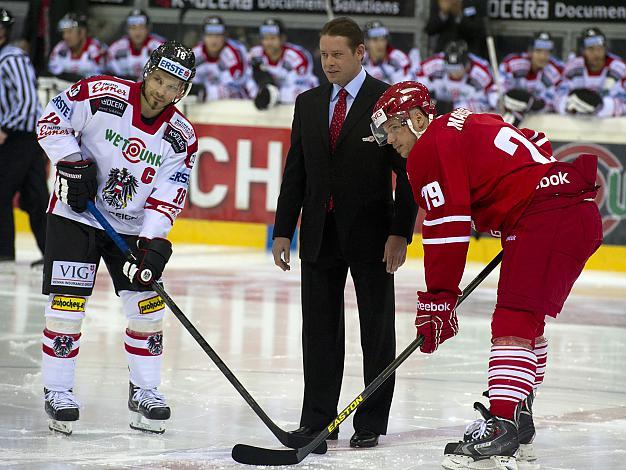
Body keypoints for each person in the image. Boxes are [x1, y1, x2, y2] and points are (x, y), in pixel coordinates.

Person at [370, 81, 602, 469]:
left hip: (545, 216)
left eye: (393, 128)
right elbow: (534, 141)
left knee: (513, 317)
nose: (391, 139)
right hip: (570, 209)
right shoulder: (469, 120)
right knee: (528, 321)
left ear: (415, 118)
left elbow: (447, 224)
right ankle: (519, 418)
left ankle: (502, 424)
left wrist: (439, 299)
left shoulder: (428, 148)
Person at [36, 41, 198, 435]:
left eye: (172, 85)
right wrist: (73, 163)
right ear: (147, 71)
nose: (161, 90)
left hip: (129, 228)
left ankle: (145, 390)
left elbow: (166, 195)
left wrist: (153, 244)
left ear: (183, 91)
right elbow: (50, 122)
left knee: (147, 308)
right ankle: (57, 390)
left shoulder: (181, 137)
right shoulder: (103, 94)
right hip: (77, 215)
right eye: (158, 79)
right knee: (68, 305)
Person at [272, 17, 416, 449]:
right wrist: (283, 230)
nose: (329, 62)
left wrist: (400, 233)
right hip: (318, 232)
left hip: (373, 235)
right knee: (318, 331)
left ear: (360, 54)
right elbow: (295, 172)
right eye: (323, 54)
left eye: (337, 54)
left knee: (376, 330)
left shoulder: (385, 102)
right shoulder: (308, 102)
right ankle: (317, 420)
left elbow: (408, 174)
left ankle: (370, 420)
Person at [0, 8, 48, 270]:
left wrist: (4, 129)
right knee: (35, 197)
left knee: (2, 193)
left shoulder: (11, 58)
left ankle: (4, 252)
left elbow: (28, 103)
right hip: (22, 137)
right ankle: (53, 253)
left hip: (20, 136)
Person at [247, 18, 318, 110]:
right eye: (265, 38)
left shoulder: (297, 56)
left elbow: (300, 91)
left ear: (282, 38)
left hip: (304, 104)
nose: (268, 43)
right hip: (271, 103)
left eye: (273, 38)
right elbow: (247, 82)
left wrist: (273, 94)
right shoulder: (254, 54)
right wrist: (262, 93)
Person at [556, 27, 626, 118]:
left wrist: (602, 107)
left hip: (610, 127)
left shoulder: (619, 68)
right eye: (591, 49)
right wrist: (568, 105)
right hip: (577, 126)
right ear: (583, 51)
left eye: (600, 48)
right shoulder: (572, 67)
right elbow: (558, 96)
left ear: (605, 49)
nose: (596, 53)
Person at [498, 32, 563, 126]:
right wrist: (507, 101)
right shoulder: (512, 63)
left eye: (547, 52)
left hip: (539, 124)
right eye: (538, 51)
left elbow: (552, 101)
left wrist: (533, 104)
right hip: (508, 116)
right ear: (530, 51)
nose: (543, 56)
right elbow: (499, 91)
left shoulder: (555, 71)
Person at [418, 40, 495, 114]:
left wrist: (450, 108)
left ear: (467, 65)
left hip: (468, 115)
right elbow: (415, 81)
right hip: (437, 106)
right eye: (449, 68)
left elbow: (491, 102)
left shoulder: (481, 72)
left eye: (457, 69)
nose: (453, 73)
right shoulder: (434, 63)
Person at [191, 16, 249, 102]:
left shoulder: (234, 53)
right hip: (204, 104)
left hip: (236, 104)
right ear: (203, 37)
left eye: (218, 35)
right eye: (210, 35)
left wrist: (205, 92)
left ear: (224, 36)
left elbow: (234, 88)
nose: (214, 40)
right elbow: (190, 83)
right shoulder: (195, 54)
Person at [106, 9, 165, 81]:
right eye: (133, 28)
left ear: (148, 28)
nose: (137, 32)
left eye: (141, 27)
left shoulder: (160, 47)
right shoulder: (115, 49)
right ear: (127, 29)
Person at [48, 12, 107, 82]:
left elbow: (103, 78)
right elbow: (52, 74)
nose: (65, 36)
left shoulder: (97, 49)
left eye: (70, 32)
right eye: (63, 33)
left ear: (82, 32)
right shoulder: (60, 48)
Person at [362, 20, 411, 85]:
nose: (380, 44)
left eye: (383, 39)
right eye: (375, 40)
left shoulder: (398, 57)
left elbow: (410, 80)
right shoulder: (359, 59)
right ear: (366, 42)